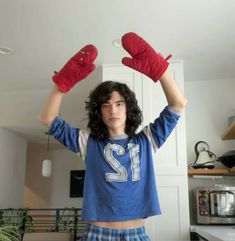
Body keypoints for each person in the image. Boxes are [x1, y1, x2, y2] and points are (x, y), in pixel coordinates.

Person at [38, 32, 187, 241]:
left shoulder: (147, 140)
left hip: (136, 234)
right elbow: (47, 118)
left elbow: (178, 104)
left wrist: (159, 70)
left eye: (119, 104)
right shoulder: (87, 143)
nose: (112, 110)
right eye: (105, 105)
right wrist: (62, 83)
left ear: (128, 109)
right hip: (97, 235)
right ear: (99, 112)